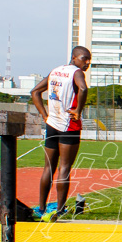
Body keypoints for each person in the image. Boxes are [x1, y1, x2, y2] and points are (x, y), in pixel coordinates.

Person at [30, 46, 91, 222]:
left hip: (52, 124)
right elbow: (83, 89)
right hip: (68, 125)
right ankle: (60, 208)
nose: (87, 63)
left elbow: (34, 92)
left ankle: (41, 208)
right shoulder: (77, 72)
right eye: (84, 58)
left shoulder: (55, 71)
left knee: (48, 167)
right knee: (64, 168)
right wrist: (78, 110)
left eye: (89, 60)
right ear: (74, 57)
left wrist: (44, 115)